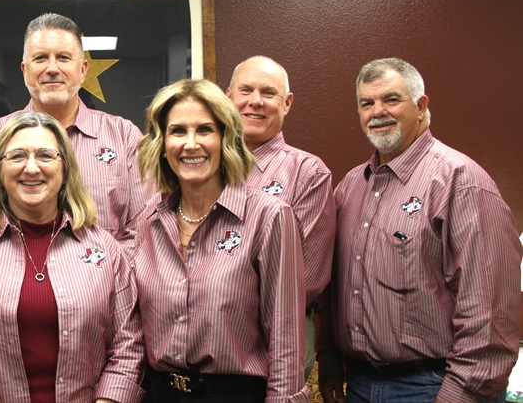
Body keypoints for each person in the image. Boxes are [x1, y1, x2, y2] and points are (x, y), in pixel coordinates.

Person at [316, 58, 520, 403]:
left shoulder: (460, 182)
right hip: (361, 382)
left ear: (421, 106)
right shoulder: (350, 187)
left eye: (391, 99)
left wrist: (459, 394)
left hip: (435, 384)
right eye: (366, 103)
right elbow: (335, 289)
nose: (377, 111)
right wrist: (330, 360)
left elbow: (491, 309)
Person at [0, 111, 144, 403]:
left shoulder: (105, 249)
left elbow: (128, 346)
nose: (31, 168)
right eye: (17, 156)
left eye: (45, 155)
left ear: (65, 168)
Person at [133, 79, 309, 402]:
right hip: (160, 394)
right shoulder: (149, 219)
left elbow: (286, 341)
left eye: (204, 130)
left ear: (226, 137)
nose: (190, 144)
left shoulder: (268, 217)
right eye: (177, 131)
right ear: (161, 143)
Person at [0, 13, 151, 249]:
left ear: (83, 69)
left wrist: (105, 277)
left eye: (63, 58)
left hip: (108, 282)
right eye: (40, 58)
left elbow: (143, 230)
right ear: (24, 70)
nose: (52, 68)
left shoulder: (124, 137)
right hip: (17, 283)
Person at [227, 56, 335, 378]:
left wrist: (215, 293)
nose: (255, 101)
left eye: (268, 93)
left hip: (275, 350)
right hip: (203, 353)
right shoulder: (201, 165)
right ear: (228, 97)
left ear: (286, 103)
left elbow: (307, 279)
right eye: (245, 90)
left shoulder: (308, 173)